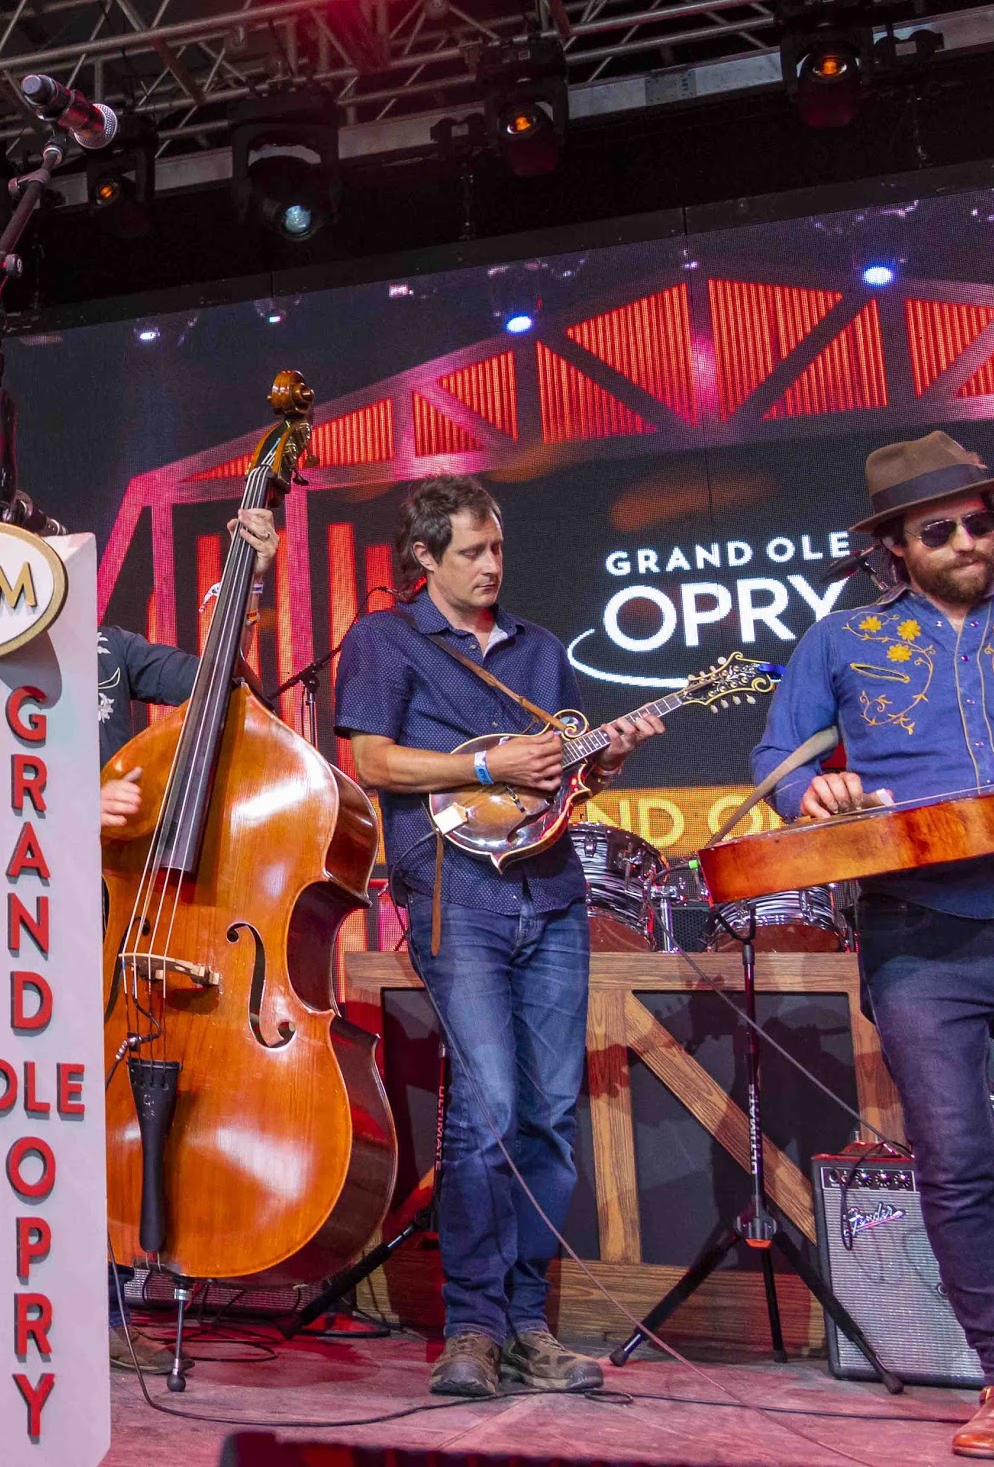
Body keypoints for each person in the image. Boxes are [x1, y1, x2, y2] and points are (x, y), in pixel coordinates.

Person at [750, 433, 994, 1460]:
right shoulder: (842, 642)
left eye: (978, 523)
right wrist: (809, 789)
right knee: (954, 1164)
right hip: (918, 933)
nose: (964, 540)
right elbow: (781, 754)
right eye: (937, 529)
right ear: (896, 547)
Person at [0, 507, 284, 1371]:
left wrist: (243, 593)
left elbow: (228, 695)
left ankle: (96, 1317)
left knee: (82, 1099)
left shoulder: (109, 646)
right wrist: (69, 803)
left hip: (97, 913)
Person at [332, 474, 658, 1400]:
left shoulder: (543, 650)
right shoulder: (386, 639)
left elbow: (554, 786)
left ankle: (527, 1324)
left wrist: (599, 762)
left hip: (552, 895)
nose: (489, 567)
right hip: (453, 898)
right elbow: (371, 761)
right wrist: (485, 758)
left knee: (551, 1116)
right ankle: (469, 1327)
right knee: (486, 1116)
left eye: (498, 550)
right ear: (425, 557)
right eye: (470, 551)